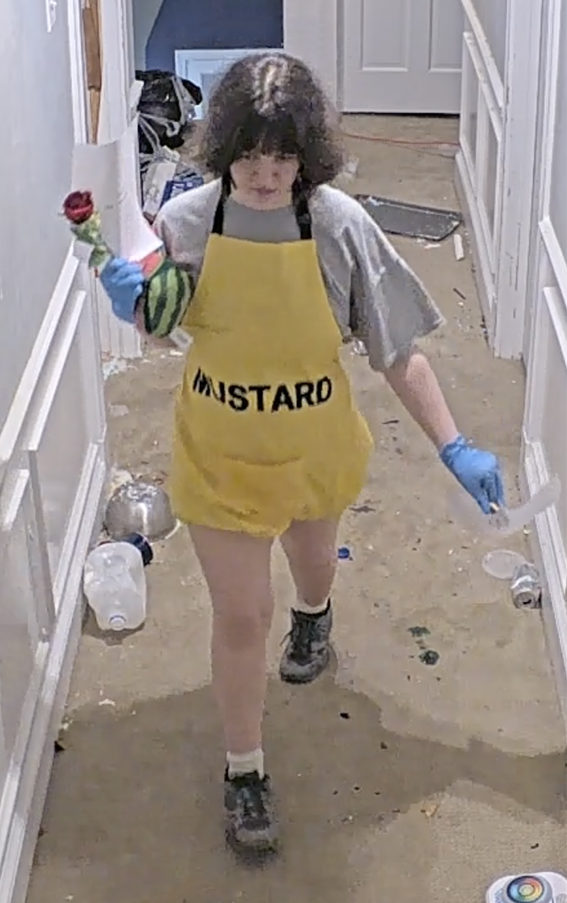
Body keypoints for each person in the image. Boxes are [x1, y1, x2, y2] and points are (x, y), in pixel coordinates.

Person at [98, 53, 505, 857]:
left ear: (307, 155)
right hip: (218, 454)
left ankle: (315, 617)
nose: (264, 175)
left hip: (312, 447)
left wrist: (453, 443)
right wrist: (132, 305)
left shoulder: (339, 226)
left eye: (282, 157)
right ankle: (244, 770)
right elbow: (161, 326)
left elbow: (396, 350)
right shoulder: (188, 223)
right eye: (250, 155)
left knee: (313, 565)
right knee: (241, 616)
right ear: (225, 149)